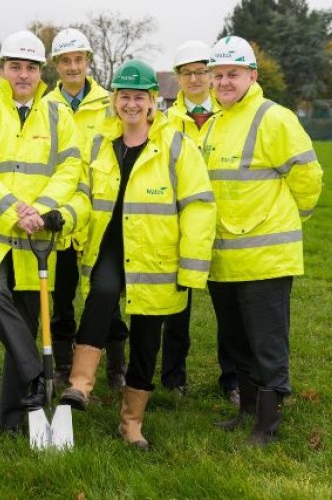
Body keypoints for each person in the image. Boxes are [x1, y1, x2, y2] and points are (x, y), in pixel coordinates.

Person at [59, 60, 216, 450]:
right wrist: (67, 223)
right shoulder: (99, 143)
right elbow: (82, 192)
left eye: (139, 97)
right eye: (124, 96)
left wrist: (192, 267)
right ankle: (80, 385)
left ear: (152, 102)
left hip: (156, 256)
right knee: (102, 293)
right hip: (109, 246)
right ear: (115, 100)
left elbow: (199, 205)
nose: (131, 104)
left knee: (147, 337)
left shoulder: (176, 144)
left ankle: (131, 422)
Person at [0, 30, 81, 433]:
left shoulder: (59, 114)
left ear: (40, 72)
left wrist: (41, 212)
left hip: (37, 232)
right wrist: (13, 211)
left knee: (26, 320)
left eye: (30, 68)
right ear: (1, 70)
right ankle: (32, 367)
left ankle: (14, 416)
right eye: (15, 67)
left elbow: (70, 167)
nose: (22, 75)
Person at [204, 36, 323, 445]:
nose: (223, 82)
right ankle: (248, 411)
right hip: (223, 259)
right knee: (235, 341)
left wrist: (293, 215)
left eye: (232, 74)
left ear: (251, 76)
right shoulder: (216, 124)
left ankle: (268, 425)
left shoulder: (275, 118)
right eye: (217, 75)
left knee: (267, 343)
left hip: (266, 258)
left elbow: (307, 176)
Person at [44, 28, 129, 391]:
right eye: (66, 61)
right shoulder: (45, 105)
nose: (73, 66)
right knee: (61, 295)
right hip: (61, 214)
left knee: (105, 293)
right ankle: (63, 365)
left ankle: (116, 366)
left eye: (79, 59)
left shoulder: (109, 103)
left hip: (100, 213)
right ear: (56, 66)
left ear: (88, 62)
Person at [163, 40, 239, 404]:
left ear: (211, 74)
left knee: (228, 307)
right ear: (177, 78)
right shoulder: (165, 121)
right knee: (177, 308)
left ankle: (233, 378)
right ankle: (173, 377)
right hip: (181, 225)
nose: (195, 78)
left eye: (201, 71)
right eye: (186, 72)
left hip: (226, 225)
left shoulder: (228, 116)